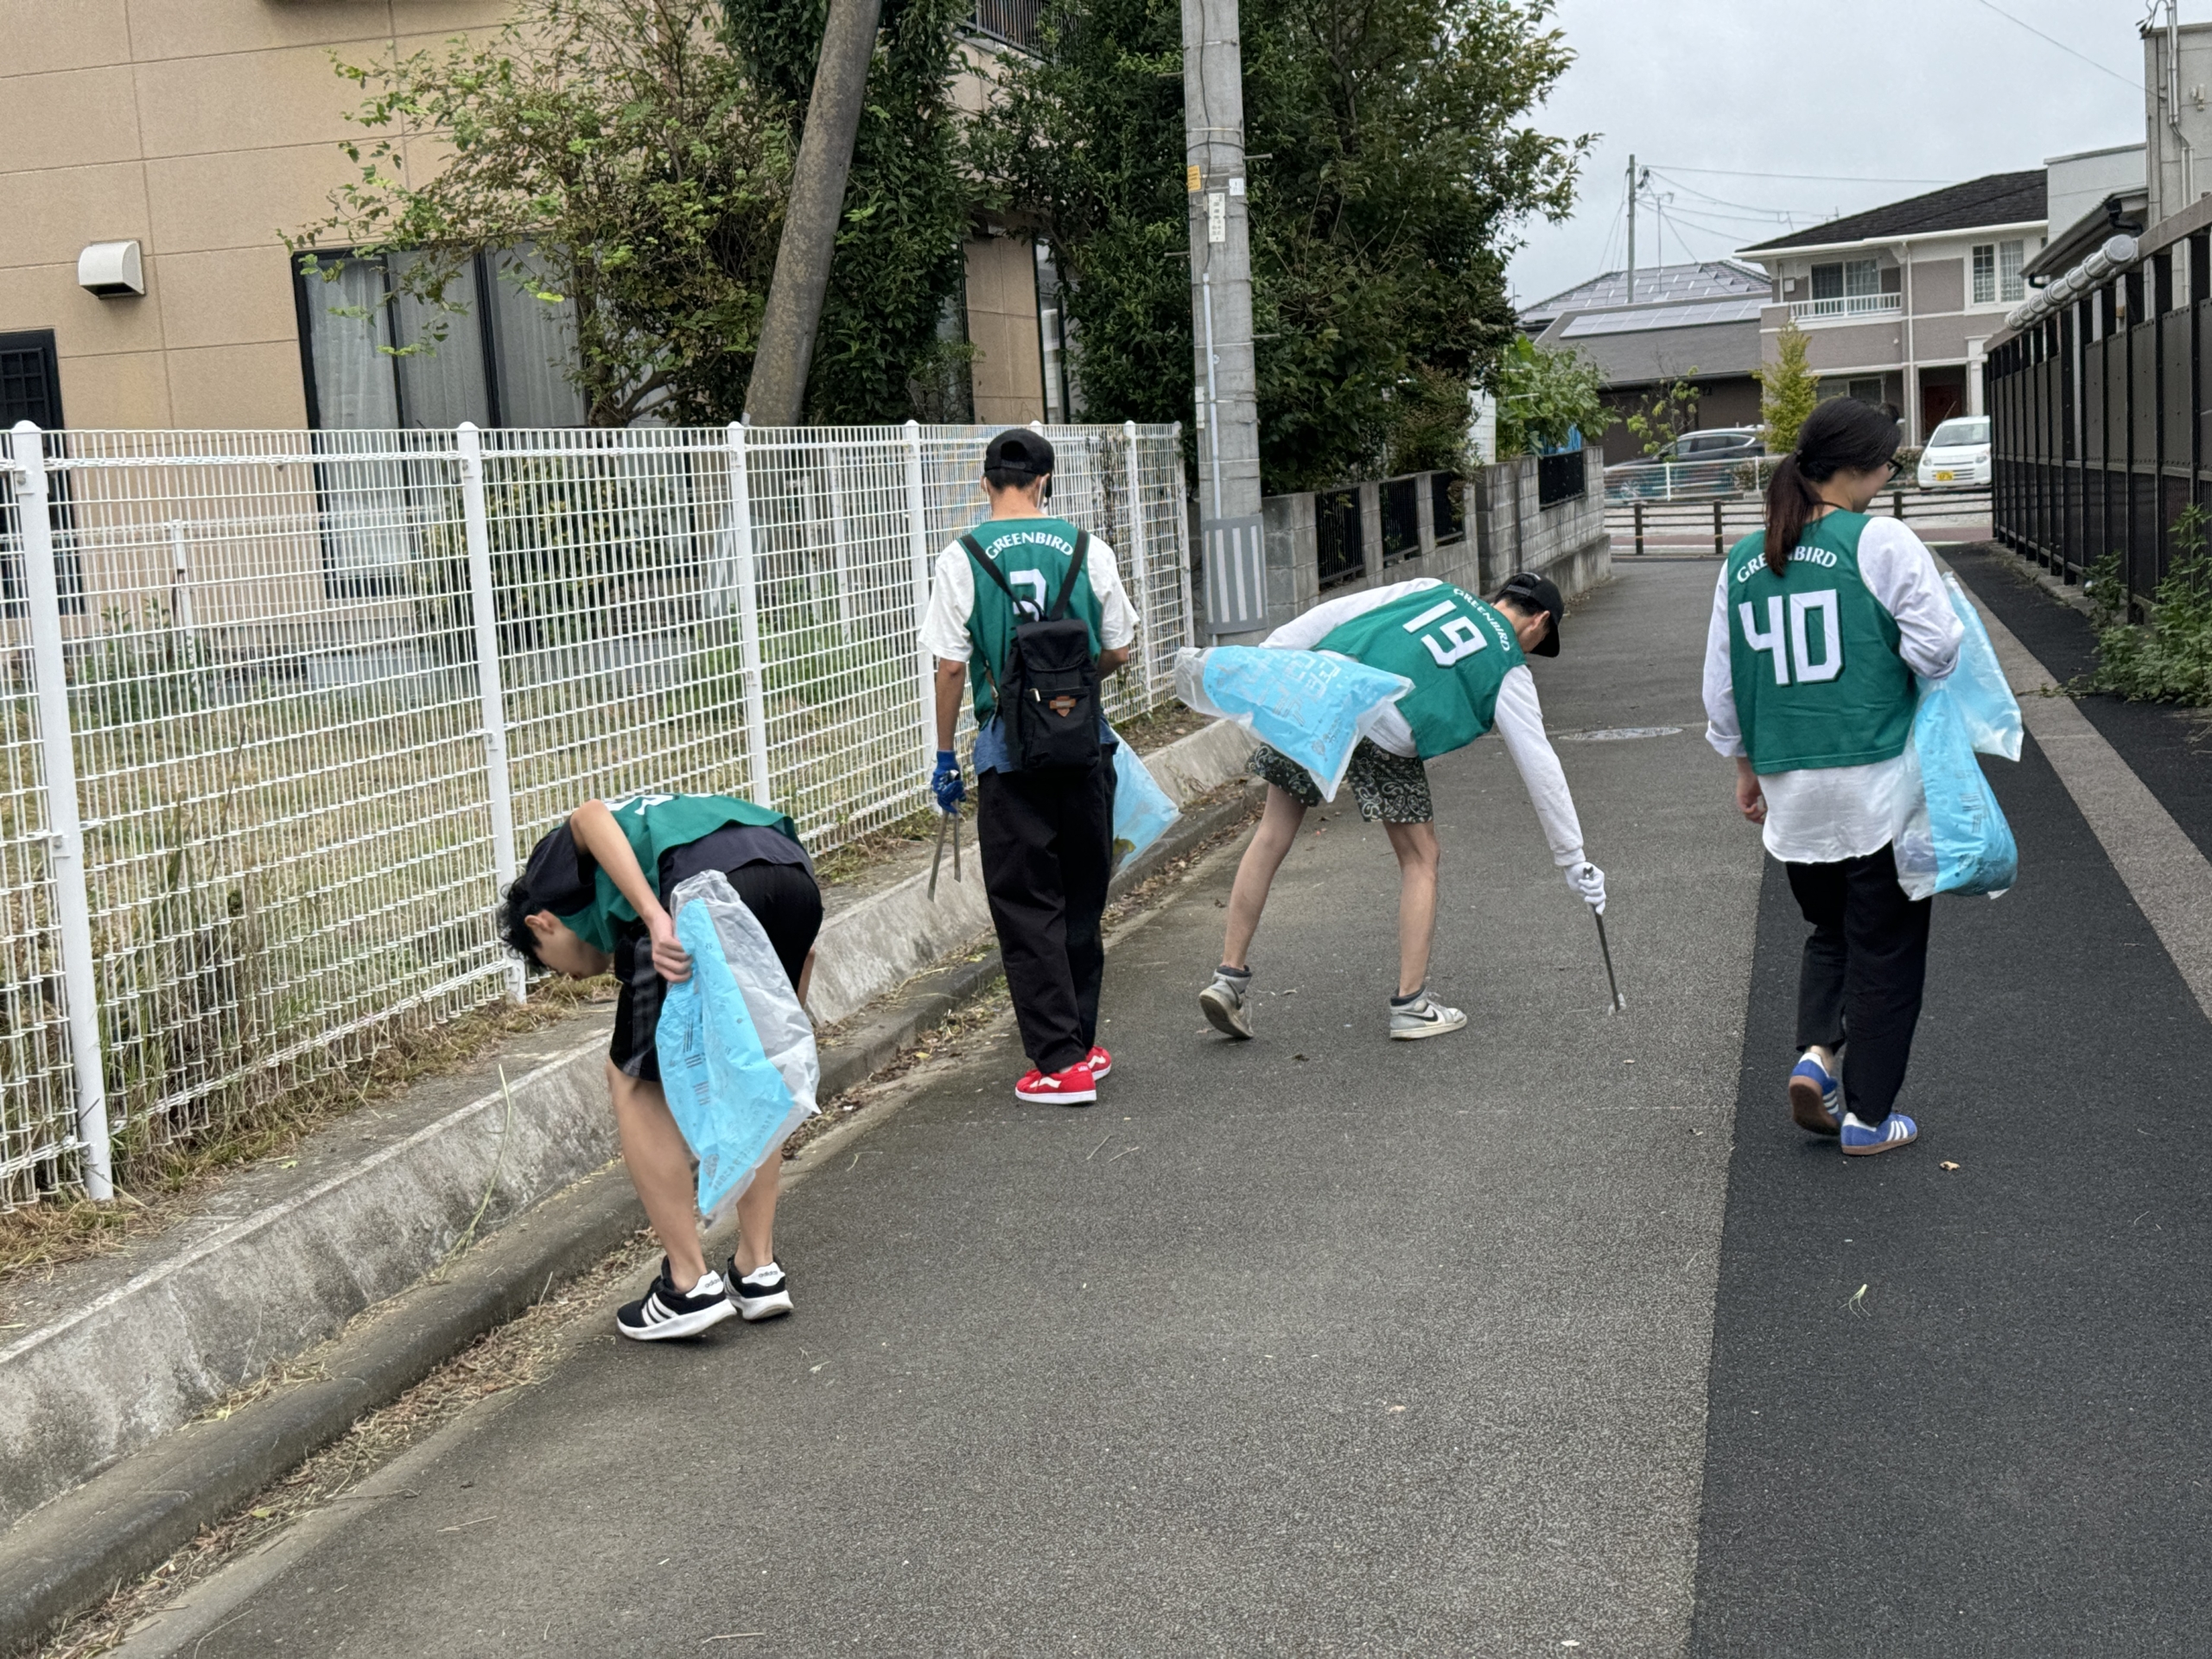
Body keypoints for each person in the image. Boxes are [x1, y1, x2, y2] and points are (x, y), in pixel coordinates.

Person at [1702, 397, 1962, 1156]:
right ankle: (1869, 1119)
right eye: (1891, 464)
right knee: (1886, 947)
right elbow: (1938, 651)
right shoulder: (1880, 540)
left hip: (1791, 789)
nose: (1890, 476)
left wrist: (1745, 770)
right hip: (1876, 781)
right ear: (1866, 467)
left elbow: (1722, 689)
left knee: (1830, 929)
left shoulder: (1744, 558)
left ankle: (1817, 1056)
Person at [1198, 572, 1606, 1041]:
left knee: (1272, 834)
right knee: (1420, 858)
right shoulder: (1508, 666)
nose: (1532, 650)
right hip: (1386, 726)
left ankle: (1228, 980)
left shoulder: (1432, 589)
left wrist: (1271, 655)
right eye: (1540, 642)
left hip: (1323, 693)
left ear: (1501, 599)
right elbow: (1540, 763)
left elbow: (1336, 612)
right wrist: (1572, 857)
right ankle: (1411, 1005)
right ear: (1539, 621)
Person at [499, 792, 823, 1338]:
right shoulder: (655, 816)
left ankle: (688, 1285)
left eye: (551, 967)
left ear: (543, 924)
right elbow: (804, 957)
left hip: (697, 891)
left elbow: (588, 815)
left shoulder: (547, 879)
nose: (570, 978)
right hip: (791, 876)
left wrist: (655, 917)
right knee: (753, 1078)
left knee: (630, 1083)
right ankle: (758, 1270)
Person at [921, 429, 1137, 1106]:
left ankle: (1059, 1064)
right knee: (1081, 895)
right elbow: (1120, 648)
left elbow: (950, 666)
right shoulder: (1086, 548)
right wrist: (1069, 693)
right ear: (1045, 481)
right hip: (1085, 747)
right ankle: (1082, 1044)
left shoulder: (962, 557)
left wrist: (945, 756)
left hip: (1008, 756)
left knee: (1026, 903)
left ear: (985, 483)